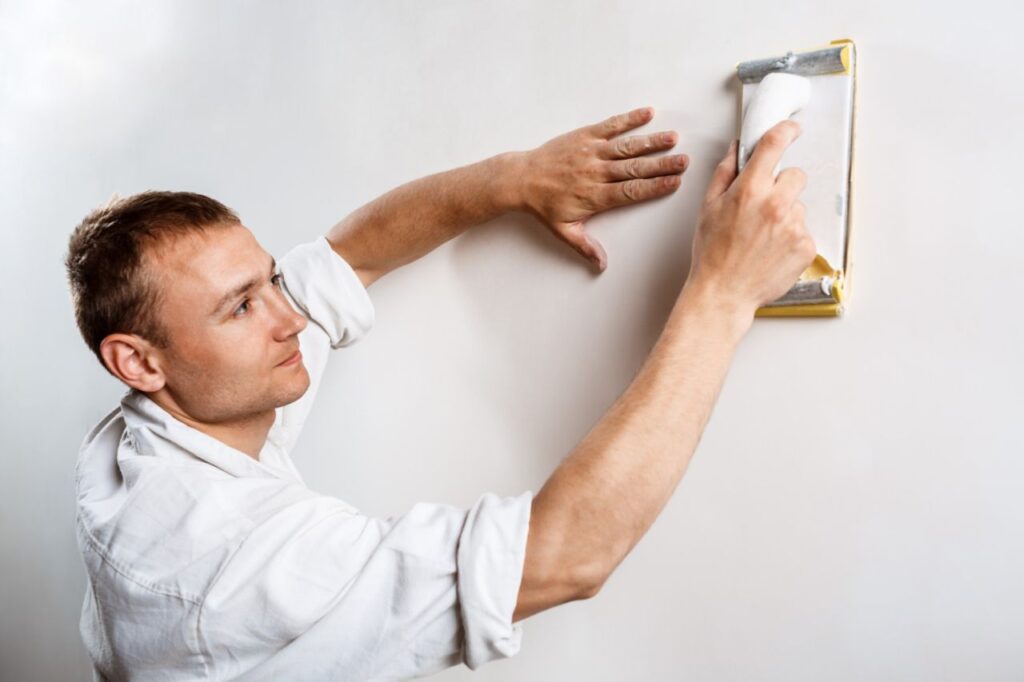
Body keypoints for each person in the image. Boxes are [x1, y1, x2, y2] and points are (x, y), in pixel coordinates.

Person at [66, 107, 812, 681]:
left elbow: (348, 257)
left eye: (267, 281)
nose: (288, 314)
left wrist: (516, 178)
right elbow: (566, 555)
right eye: (241, 306)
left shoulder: (164, 427)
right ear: (137, 362)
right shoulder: (232, 560)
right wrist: (723, 292)